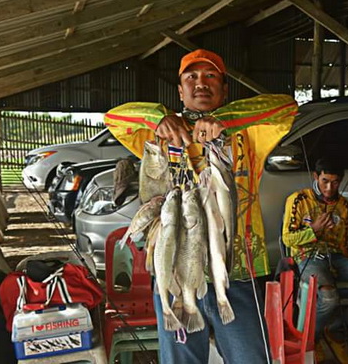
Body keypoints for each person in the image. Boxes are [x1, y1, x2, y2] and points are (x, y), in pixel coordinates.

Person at [104, 49, 298, 363]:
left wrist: (225, 120)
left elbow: (286, 107)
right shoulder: (159, 136)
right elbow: (113, 117)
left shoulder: (248, 133)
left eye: (210, 76)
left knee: (250, 358)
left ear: (224, 89)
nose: (201, 83)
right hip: (175, 273)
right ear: (180, 91)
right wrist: (159, 117)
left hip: (237, 272)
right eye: (190, 77)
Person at [282, 158, 348, 364]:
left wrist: (342, 266)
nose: (329, 188)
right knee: (329, 298)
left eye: (335, 182)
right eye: (325, 181)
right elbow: (287, 238)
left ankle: (339, 328)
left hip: (335, 258)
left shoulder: (343, 204)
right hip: (307, 257)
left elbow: (343, 242)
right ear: (316, 177)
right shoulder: (298, 199)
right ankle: (314, 337)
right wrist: (314, 230)